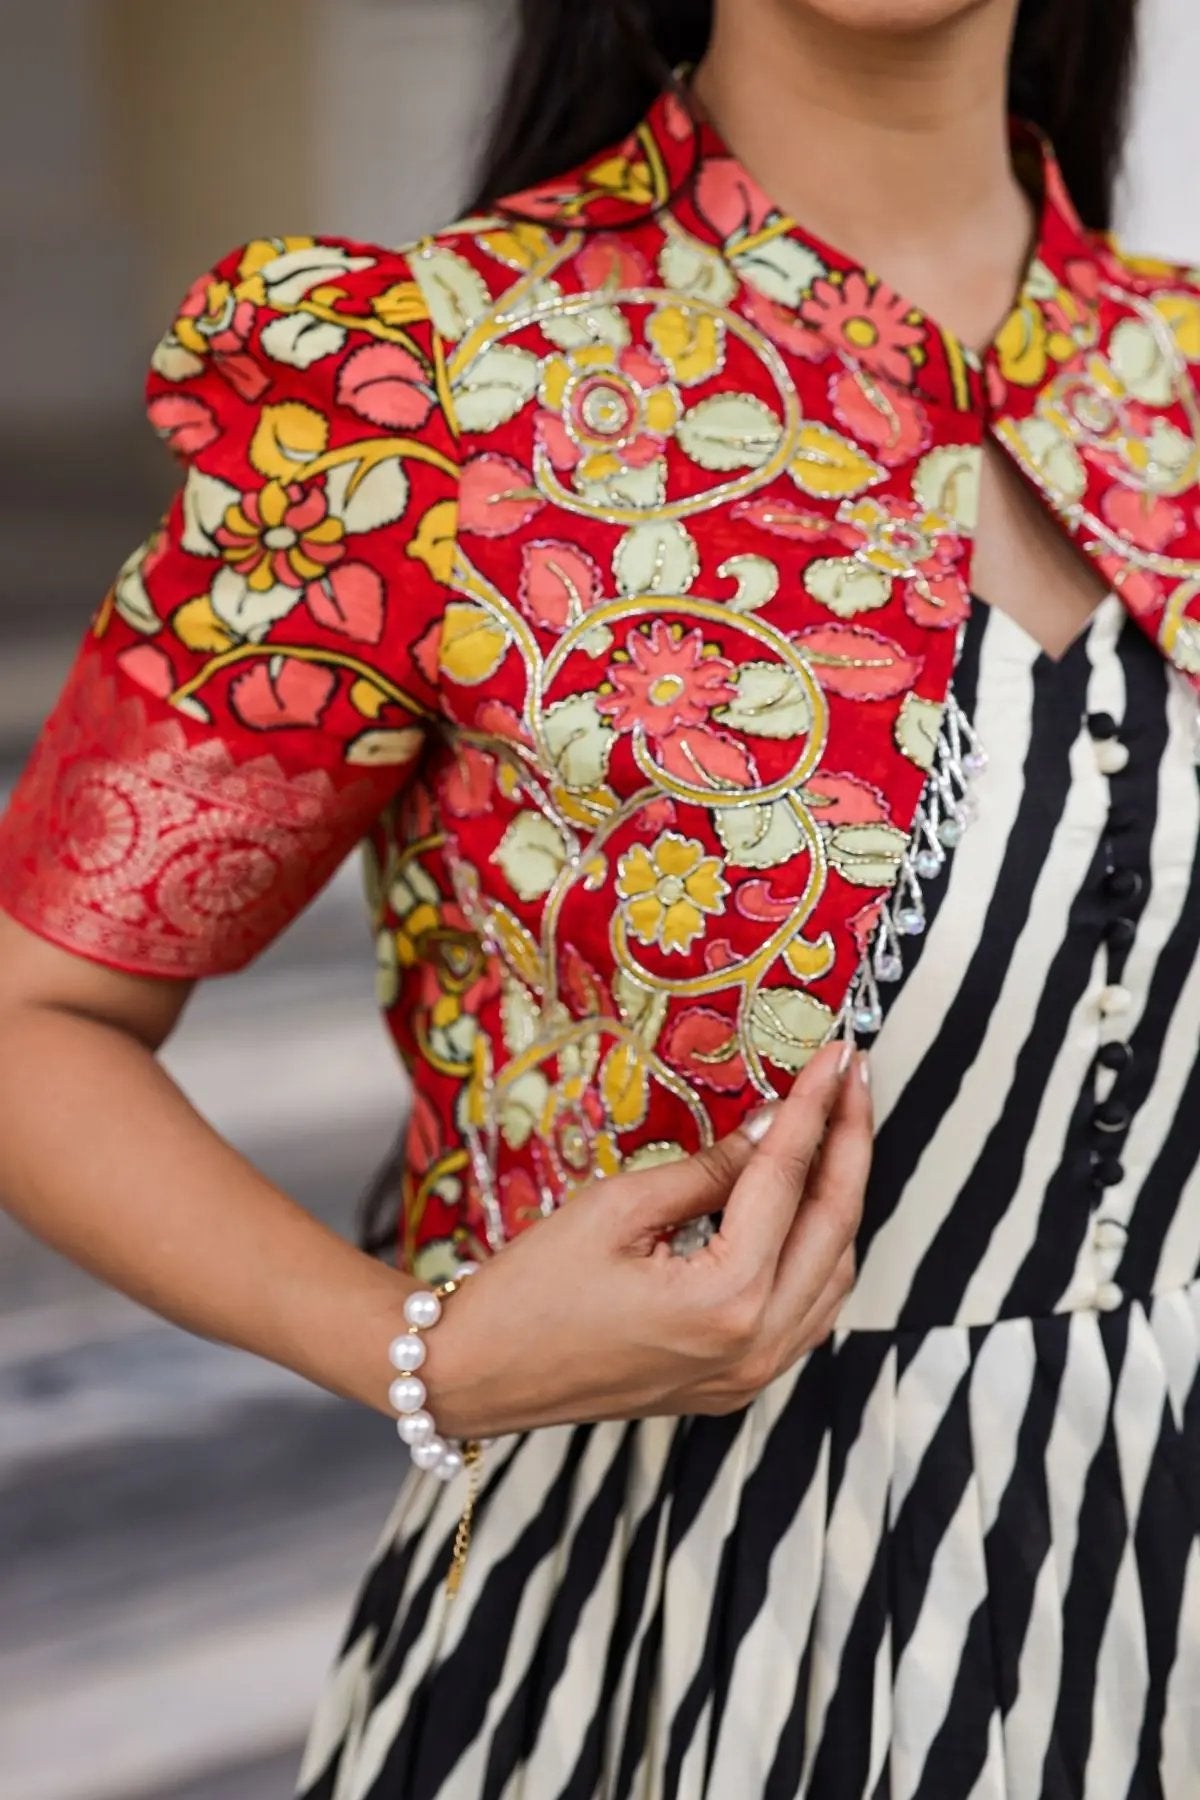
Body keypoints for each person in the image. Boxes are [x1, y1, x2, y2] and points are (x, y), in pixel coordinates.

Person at [1, 0, 1197, 1791]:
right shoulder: (413, 385)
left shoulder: (1177, 376)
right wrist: (420, 1352)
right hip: (694, 1633)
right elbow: (38, 1020)